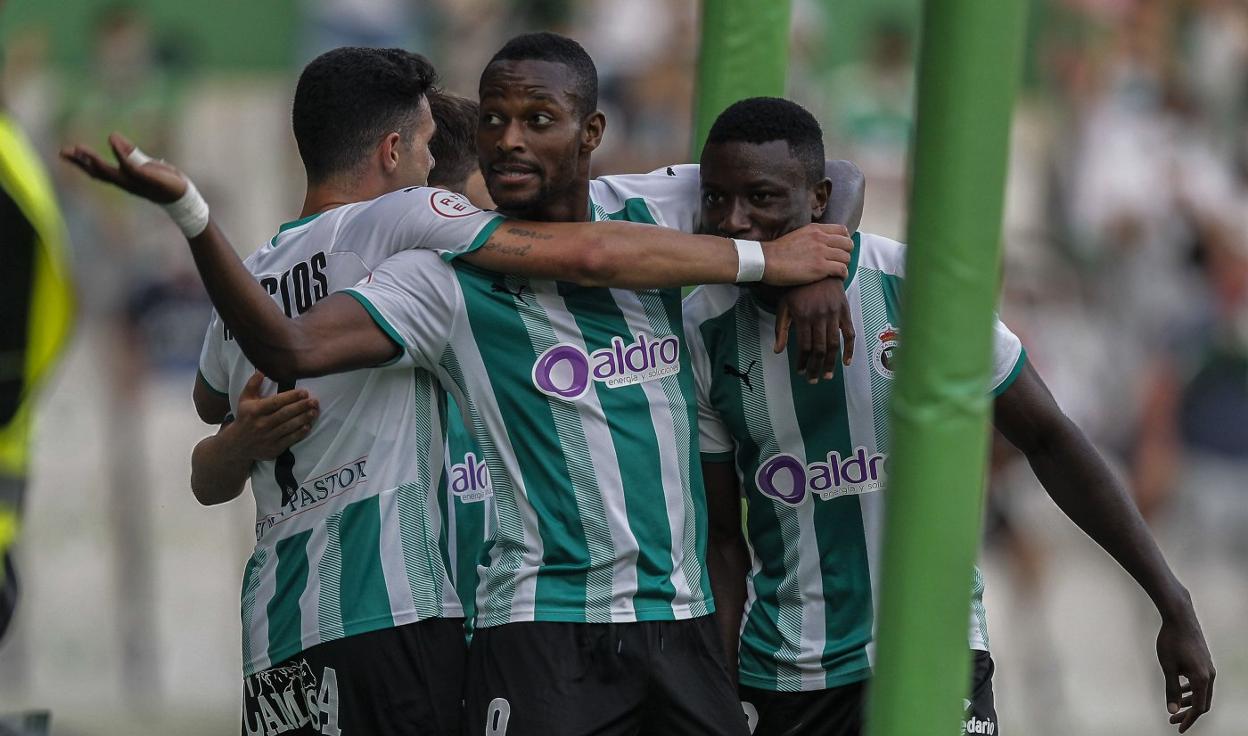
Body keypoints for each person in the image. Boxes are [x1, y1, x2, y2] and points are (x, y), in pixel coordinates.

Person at [62, 46, 853, 736]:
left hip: (279, 629)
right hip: (405, 613)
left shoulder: (263, 274)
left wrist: (822, 274)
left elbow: (216, 417)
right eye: (465, 138)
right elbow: (587, 258)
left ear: (590, 133)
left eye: (535, 120)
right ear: (399, 152)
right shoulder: (412, 237)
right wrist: (774, 266)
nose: (493, 151)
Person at [685, 96, 1216, 736]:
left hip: (938, 654)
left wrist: (1171, 601)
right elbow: (720, 539)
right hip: (790, 675)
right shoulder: (703, 326)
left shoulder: (916, 289)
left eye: (762, 199)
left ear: (820, 199)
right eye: (716, 200)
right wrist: (718, 694)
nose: (734, 223)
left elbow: (1049, 439)